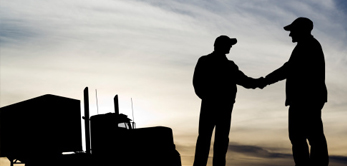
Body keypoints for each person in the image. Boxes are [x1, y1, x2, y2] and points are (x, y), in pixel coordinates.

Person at [261, 17, 329, 166]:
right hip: (308, 98)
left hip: (305, 99)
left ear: (302, 30)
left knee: (304, 137)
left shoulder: (308, 46)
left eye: (292, 31)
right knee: (308, 136)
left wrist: (264, 81)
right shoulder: (307, 45)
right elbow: (289, 68)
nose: (290, 34)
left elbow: (288, 69)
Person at [192, 35, 263, 166]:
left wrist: (260, 82)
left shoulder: (229, 65)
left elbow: (244, 81)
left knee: (220, 140)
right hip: (213, 105)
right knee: (205, 139)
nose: (230, 47)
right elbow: (197, 83)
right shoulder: (206, 61)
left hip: (224, 107)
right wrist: (208, 97)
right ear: (219, 45)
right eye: (228, 44)